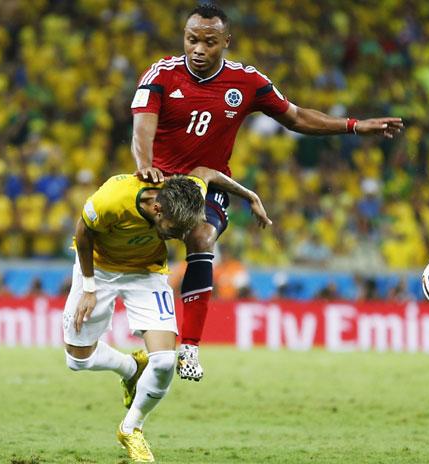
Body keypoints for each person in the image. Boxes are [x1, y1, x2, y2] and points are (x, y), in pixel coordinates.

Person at [130, 3, 404, 381]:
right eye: (192, 40)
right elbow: (142, 128)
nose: (198, 49)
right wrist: (145, 165)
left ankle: (190, 347)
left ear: (226, 42)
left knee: (202, 235)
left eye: (209, 42)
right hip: (159, 183)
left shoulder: (247, 82)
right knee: (135, 248)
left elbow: (296, 116)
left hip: (209, 183)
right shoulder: (161, 74)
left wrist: (354, 126)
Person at [62, 166, 270, 463]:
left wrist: (250, 195)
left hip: (147, 274)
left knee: (163, 362)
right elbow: (83, 233)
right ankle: (131, 369)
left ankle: (131, 429)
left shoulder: (186, 193)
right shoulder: (111, 198)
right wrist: (90, 287)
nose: (176, 236)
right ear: (157, 207)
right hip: (100, 270)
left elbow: (207, 172)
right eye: (173, 229)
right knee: (77, 360)